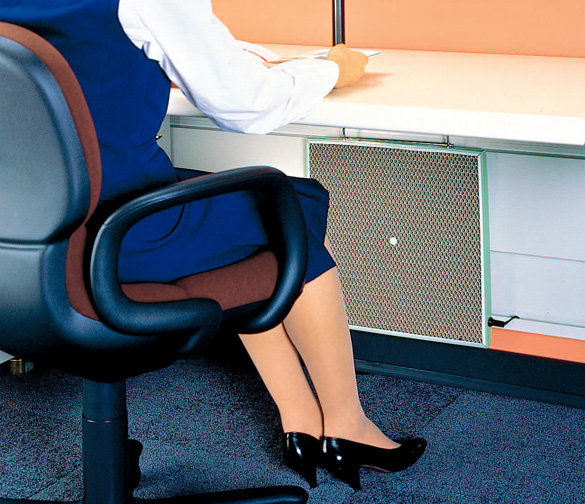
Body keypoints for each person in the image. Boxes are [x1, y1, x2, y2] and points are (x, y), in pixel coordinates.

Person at [0, 0, 426, 491]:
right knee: (288, 206)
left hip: (27, 238)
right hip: (119, 239)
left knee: (241, 216)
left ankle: (302, 422)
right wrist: (331, 69)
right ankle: (347, 426)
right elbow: (249, 106)